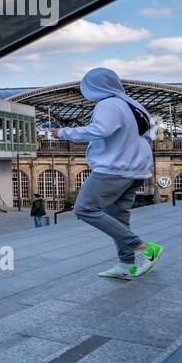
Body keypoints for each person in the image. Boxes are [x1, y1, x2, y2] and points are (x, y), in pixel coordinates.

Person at [50, 68, 162, 279]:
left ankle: (144, 248)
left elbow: (101, 129)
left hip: (114, 168)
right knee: (119, 216)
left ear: (93, 87)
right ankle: (126, 264)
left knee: (85, 208)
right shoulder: (133, 105)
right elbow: (148, 136)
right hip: (135, 169)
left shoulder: (108, 104)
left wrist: (63, 133)